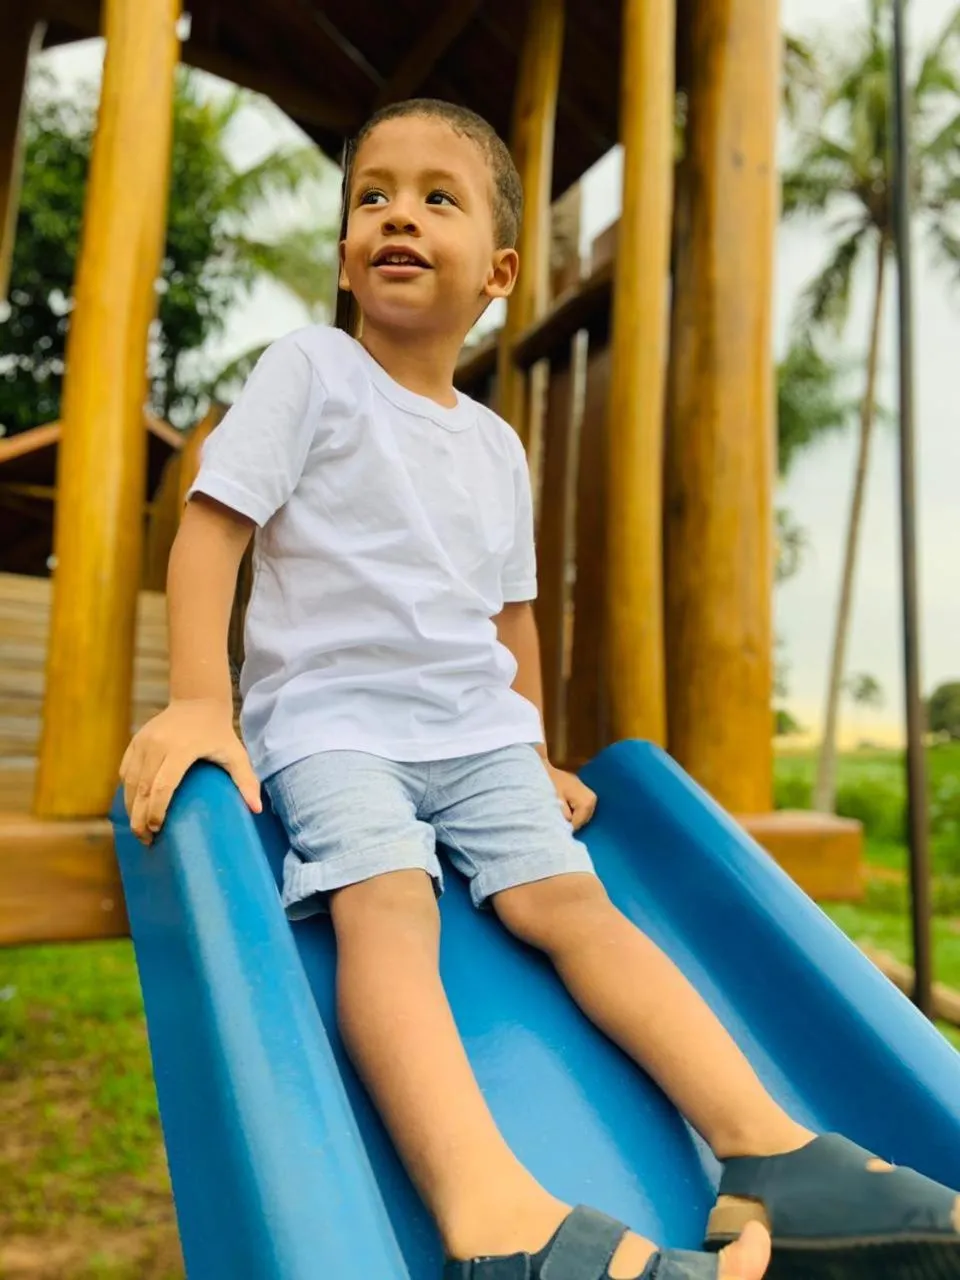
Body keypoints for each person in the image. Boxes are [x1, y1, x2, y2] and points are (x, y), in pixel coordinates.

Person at [121, 99, 960, 1280]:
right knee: (389, 909)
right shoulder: (310, 372)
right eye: (372, 195)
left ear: (499, 272)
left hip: (477, 736)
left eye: (435, 197)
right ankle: (489, 1215)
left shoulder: (495, 445)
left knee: (577, 908)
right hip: (335, 727)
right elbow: (213, 529)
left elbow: (508, 611)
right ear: (348, 248)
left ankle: (767, 1151)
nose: (395, 213)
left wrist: (536, 743)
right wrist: (202, 701)